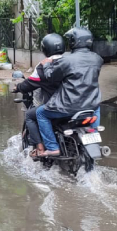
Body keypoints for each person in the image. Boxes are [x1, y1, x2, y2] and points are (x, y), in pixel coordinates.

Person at [34, 27, 103, 157]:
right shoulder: (97, 59)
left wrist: (47, 64)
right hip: (91, 105)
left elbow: (50, 76)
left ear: (73, 42)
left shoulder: (67, 60)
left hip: (67, 106)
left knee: (40, 113)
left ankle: (53, 147)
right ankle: (93, 134)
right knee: (97, 107)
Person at [15, 33, 65, 149]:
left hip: (55, 105)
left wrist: (18, 87)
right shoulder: (70, 61)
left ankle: (40, 147)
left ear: (45, 49)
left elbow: (30, 83)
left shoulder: (43, 65)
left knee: (30, 115)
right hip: (75, 104)